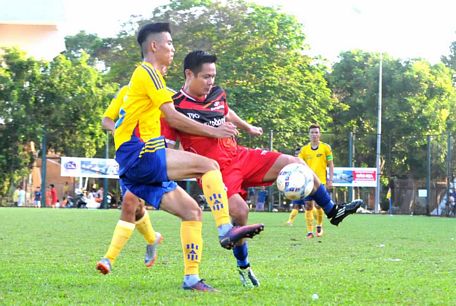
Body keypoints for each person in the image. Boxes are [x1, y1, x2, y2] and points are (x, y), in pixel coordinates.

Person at [161, 50, 363, 287]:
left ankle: (332, 211)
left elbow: (226, 111)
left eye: (213, 76)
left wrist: (247, 128)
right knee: (240, 212)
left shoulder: (217, 94)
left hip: (239, 156)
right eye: (205, 77)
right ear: (189, 74)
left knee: (296, 164)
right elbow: (169, 149)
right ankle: (244, 267)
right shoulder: (174, 109)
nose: (210, 82)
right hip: (215, 172)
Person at [96, 23, 264, 292]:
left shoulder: (152, 79)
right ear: (154, 46)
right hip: (140, 153)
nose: (173, 49)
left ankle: (191, 278)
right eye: (170, 44)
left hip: (134, 161)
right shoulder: (147, 72)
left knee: (191, 211)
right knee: (209, 165)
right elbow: (174, 116)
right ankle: (224, 230)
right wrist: (215, 130)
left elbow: (169, 117)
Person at [286, 124, 334, 239]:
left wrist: (330, 179)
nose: (314, 134)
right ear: (309, 134)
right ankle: (309, 232)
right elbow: (298, 164)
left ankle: (319, 225)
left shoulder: (326, 148)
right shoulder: (304, 150)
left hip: (320, 181)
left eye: (316, 132)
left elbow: (331, 164)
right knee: (308, 206)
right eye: (312, 132)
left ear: (320, 134)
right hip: (306, 182)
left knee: (318, 206)